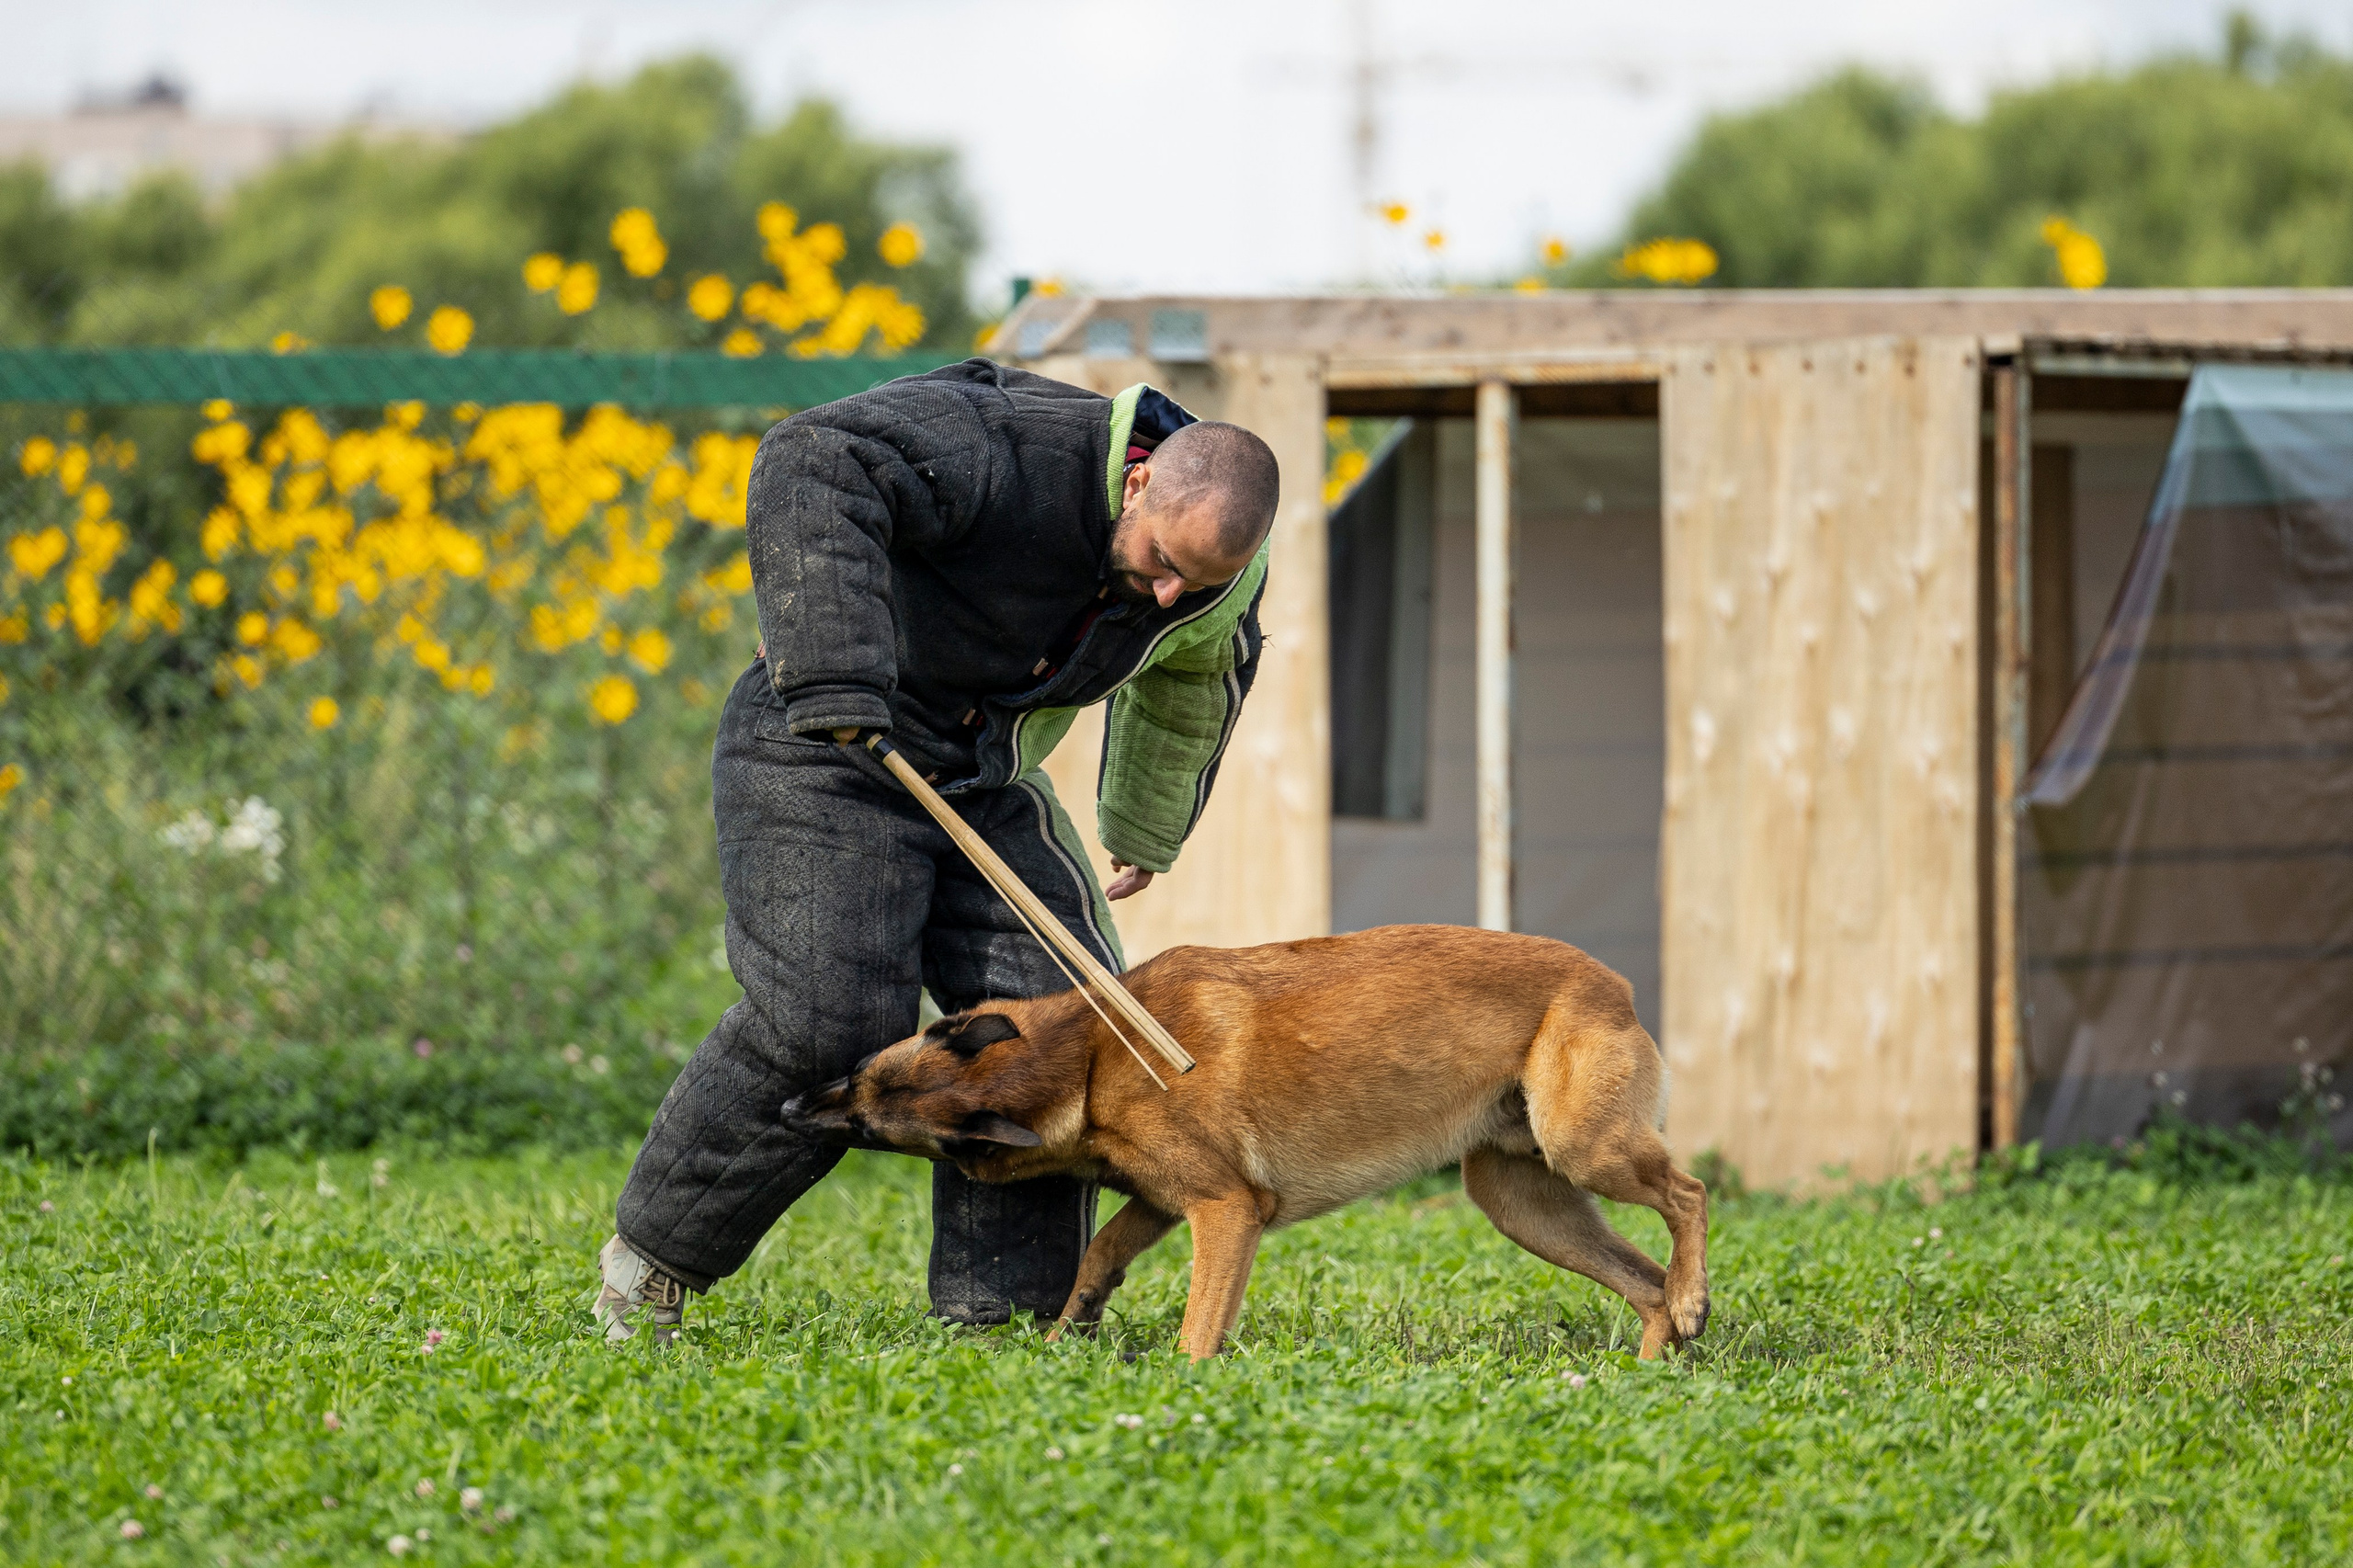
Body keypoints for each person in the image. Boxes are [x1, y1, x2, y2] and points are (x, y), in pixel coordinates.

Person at [594, 357, 1281, 1341]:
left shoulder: (1210, 587)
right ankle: (649, 1266)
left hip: (981, 770)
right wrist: (834, 673)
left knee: (1058, 1028)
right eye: (1163, 561)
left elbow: (1188, 689)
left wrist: (1142, 827)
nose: (1168, 595)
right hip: (822, 734)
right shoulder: (1006, 444)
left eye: (1196, 582)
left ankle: (1003, 1316)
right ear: (1137, 483)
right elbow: (814, 454)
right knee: (828, 1021)